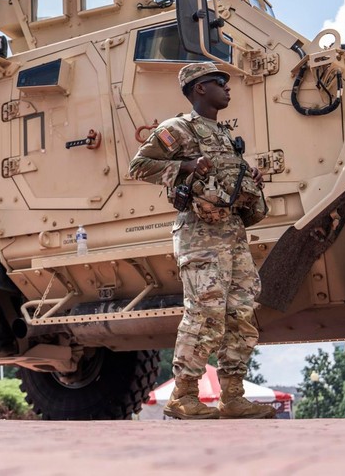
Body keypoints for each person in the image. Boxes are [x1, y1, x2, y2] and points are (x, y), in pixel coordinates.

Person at [129, 62, 275, 420]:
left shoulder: (223, 135)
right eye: (218, 83)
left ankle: (234, 396)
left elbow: (225, 179)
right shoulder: (177, 128)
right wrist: (186, 166)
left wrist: (247, 174)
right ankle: (183, 396)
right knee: (204, 314)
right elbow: (138, 166)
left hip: (232, 234)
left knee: (241, 315)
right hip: (199, 235)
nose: (227, 89)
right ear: (199, 89)